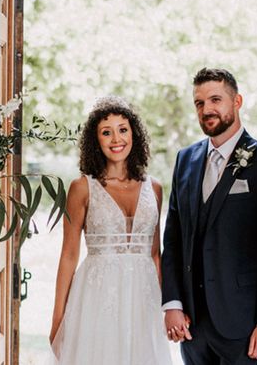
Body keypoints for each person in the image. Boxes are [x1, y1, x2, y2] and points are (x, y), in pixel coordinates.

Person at [162, 68, 257, 364]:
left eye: (215, 99)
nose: (207, 109)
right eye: (199, 102)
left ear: (237, 101)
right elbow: (174, 238)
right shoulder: (185, 160)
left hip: (243, 325)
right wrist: (172, 303)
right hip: (192, 323)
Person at [49, 96, 172, 364]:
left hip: (142, 300)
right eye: (107, 132)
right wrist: (58, 319)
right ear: (96, 141)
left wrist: (166, 308)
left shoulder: (155, 189)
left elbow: (155, 255)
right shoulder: (82, 187)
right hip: (97, 297)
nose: (116, 139)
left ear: (134, 134)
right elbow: (69, 255)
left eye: (123, 129)